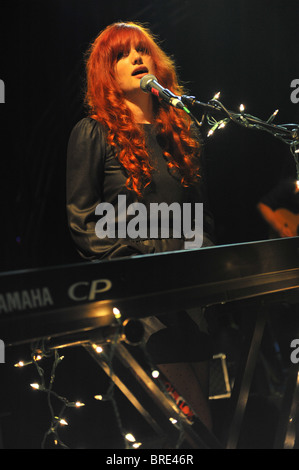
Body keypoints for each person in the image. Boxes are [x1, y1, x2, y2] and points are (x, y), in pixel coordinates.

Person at [66, 22, 215, 434]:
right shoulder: (92, 133)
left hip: (192, 293)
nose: (135, 58)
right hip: (143, 300)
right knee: (197, 423)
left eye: (141, 51)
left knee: (196, 428)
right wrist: (139, 262)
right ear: (106, 71)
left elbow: (202, 216)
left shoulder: (184, 133)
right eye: (121, 54)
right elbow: (83, 222)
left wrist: (209, 266)